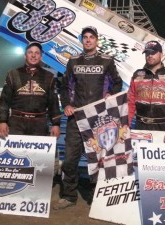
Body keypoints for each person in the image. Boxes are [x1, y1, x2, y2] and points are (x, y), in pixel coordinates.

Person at [53, 26, 122, 210]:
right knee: (69, 159)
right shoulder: (73, 61)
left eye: (92, 37)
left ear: (97, 40)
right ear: (81, 40)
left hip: (99, 118)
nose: (88, 40)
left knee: (98, 159)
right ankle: (69, 196)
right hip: (76, 118)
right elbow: (64, 86)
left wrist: (110, 94)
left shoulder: (107, 61)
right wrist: (67, 104)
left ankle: (96, 197)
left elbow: (117, 82)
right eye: (85, 37)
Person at [0, 42, 60, 139]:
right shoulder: (13, 74)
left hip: (39, 124)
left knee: (38, 154)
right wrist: (2, 121)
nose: (33, 55)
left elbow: (54, 103)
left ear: (41, 57)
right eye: (30, 52)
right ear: (25, 55)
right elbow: (4, 101)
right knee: (15, 154)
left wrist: (56, 124)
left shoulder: (49, 76)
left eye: (37, 53)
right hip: (16, 123)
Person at [128, 40, 165, 144]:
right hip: (140, 126)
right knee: (139, 159)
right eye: (147, 53)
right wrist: (125, 125)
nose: (150, 55)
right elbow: (130, 104)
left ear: (161, 54)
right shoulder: (137, 75)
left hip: (163, 128)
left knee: (161, 160)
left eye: (153, 52)